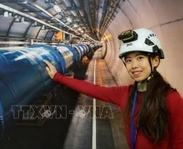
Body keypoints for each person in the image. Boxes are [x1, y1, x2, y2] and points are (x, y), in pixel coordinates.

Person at [44, 28, 183, 149]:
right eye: (128, 60)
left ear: (155, 60)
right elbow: (92, 89)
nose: (133, 65)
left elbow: (179, 144)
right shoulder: (126, 94)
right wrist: (57, 76)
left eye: (140, 58)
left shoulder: (171, 99)